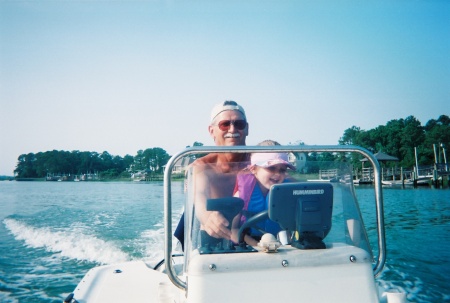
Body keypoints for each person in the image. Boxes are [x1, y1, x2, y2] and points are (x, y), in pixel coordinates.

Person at [174, 100, 249, 249]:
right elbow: (199, 195)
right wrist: (208, 217)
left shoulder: (260, 164)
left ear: (247, 129)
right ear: (212, 130)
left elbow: (286, 182)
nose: (232, 129)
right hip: (213, 232)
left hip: (252, 230)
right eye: (225, 124)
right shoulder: (201, 167)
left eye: (239, 124)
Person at [231, 140, 295, 246]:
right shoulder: (240, 195)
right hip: (249, 246)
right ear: (253, 169)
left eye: (282, 170)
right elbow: (233, 230)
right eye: (271, 168)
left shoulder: (288, 191)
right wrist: (258, 246)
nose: (277, 174)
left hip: (280, 246)